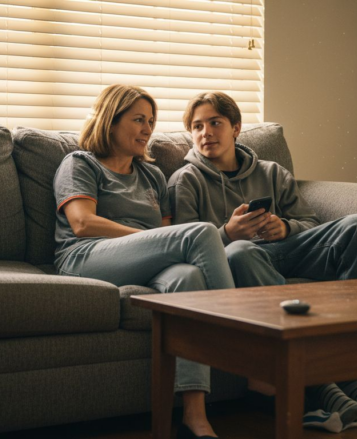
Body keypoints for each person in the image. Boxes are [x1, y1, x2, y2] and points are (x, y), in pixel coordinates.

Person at [168, 91, 357, 431]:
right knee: (240, 251)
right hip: (241, 260)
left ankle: (352, 373)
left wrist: (285, 226)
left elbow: (311, 224)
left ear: (236, 129)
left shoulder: (272, 172)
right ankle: (319, 383)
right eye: (197, 126)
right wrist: (228, 232)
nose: (205, 133)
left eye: (215, 123)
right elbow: (183, 246)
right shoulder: (185, 181)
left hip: (287, 250)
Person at [53, 84, 234, 439]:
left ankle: (195, 418)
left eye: (151, 120)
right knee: (199, 233)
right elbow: (82, 223)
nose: (148, 129)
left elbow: (165, 235)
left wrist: (157, 243)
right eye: (138, 120)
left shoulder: (151, 174)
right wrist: (148, 240)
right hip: (86, 256)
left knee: (187, 279)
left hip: (144, 260)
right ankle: (246, 338)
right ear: (111, 120)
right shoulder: (80, 163)